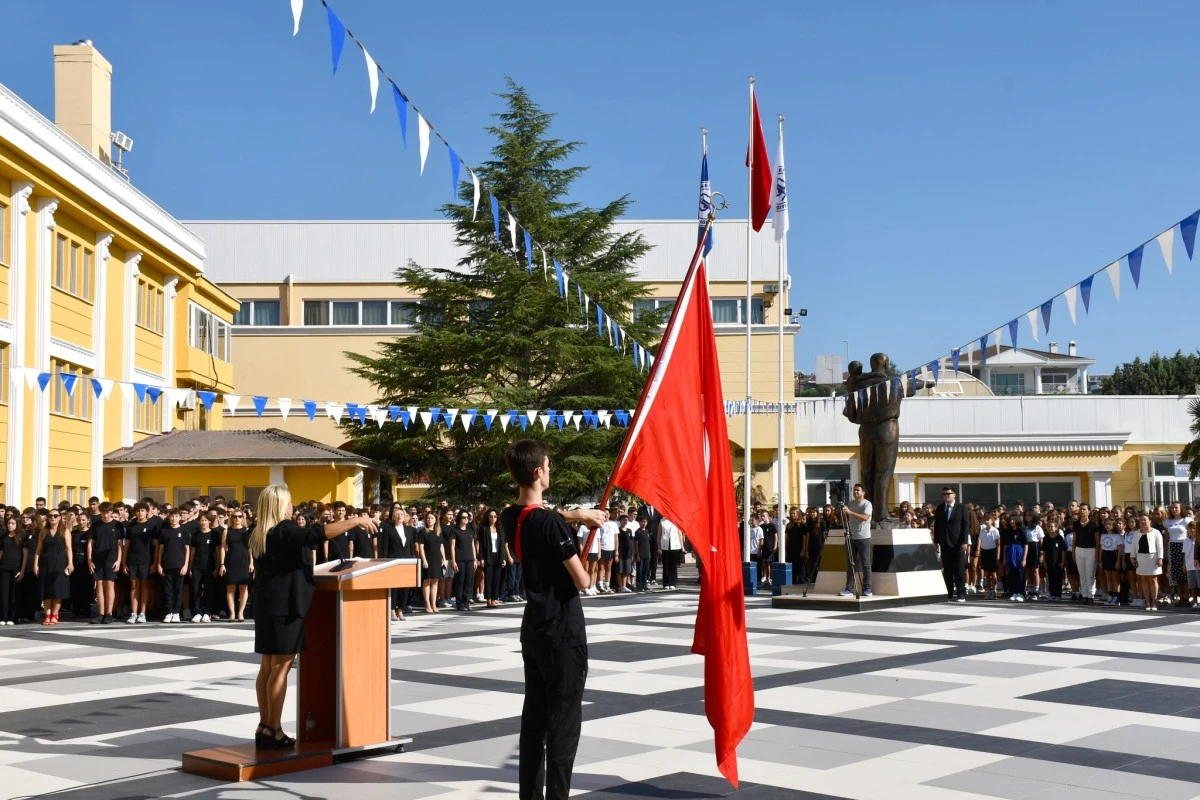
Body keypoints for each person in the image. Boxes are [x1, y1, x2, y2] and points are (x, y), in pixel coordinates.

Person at [500, 439, 605, 800]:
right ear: (538, 472)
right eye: (547, 465)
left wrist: (577, 515)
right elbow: (584, 580)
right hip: (563, 630)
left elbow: (537, 516)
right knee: (563, 725)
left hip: (534, 628)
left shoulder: (507, 517)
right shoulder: (550, 524)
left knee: (534, 721)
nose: (550, 470)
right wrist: (577, 527)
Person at [250, 484, 378, 749]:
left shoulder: (260, 533)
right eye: (288, 502)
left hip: (267, 605)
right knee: (281, 667)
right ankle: (274, 729)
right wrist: (356, 520)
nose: (292, 506)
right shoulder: (283, 530)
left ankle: (264, 726)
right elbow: (318, 534)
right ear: (278, 505)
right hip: (286, 606)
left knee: (267, 667)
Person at [34, 510, 72, 625]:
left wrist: (70, 563)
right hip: (45, 562)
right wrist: (35, 564)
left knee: (57, 589)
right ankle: (47, 615)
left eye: (55, 516)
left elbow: (69, 548)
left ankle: (55, 615)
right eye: (50, 516)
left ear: (60, 517)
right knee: (46, 590)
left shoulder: (64, 530)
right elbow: (38, 549)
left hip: (60, 562)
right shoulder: (43, 532)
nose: (53, 518)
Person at [87, 503, 123, 624]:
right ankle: (101, 613)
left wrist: (118, 561)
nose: (105, 515)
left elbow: (120, 545)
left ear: (112, 512)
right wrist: (89, 559)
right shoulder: (96, 524)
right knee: (99, 584)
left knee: (109, 585)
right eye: (103, 513)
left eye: (107, 513)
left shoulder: (117, 525)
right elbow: (90, 543)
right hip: (97, 559)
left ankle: (109, 613)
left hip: (111, 559)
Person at [933, 486, 970, 602]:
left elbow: (965, 526)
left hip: (958, 543)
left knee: (959, 570)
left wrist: (964, 542)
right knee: (947, 570)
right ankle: (949, 593)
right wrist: (936, 541)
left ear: (954, 495)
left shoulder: (961, 508)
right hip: (944, 543)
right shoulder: (940, 508)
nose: (946, 496)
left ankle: (961, 593)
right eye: (944, 494)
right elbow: (937, 525)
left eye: (949, 494)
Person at [378, 504, 414, 620]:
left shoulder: (409, 530)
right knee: (394, 587)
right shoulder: (389, 529)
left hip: (407, 561)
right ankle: (392, 610)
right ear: (393, 516)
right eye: (397, 514)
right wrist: (384, 560)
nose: (399, 516)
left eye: (401, 514)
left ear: (405, 517)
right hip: (393, 560)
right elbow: (385, 546)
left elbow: (411, 547)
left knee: (405, 587)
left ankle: (401, 610)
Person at [220, 509, 253, 622]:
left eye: (239, 516)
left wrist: (252, 563)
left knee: (244, 587)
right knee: (230, 587)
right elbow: (223, 548)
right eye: (235, 516)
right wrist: (222, 564)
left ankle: (241, 613)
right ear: (231, 518)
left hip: (244, 560)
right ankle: (232, 613)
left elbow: (250, 549)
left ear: (243, 518)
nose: (237, 519)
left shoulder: (247, 531)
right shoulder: (227, 531)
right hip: (231, 560)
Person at [840, 484, 873, 597]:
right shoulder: (851, 503)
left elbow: (865, 518)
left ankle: (867, 588)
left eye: (858, 490)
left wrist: (850, 512)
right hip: (851, 537)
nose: (855, 492)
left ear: (863, 492)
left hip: (863, 537)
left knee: (865, 563)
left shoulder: (867, 504)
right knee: (850, 563)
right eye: (854, 490)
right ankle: (849, 588)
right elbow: (845, 516)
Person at [477, 508, 511, 609]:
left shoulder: (500, 528)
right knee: (488, 578)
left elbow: (502, 545)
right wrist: (481, 558)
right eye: (491, 516)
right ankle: (488, 599)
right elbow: (481, 545)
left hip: (498, 556)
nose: (493, 518)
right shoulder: (483, 529)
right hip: (488, 555)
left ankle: (495, 598)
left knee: (496, 579)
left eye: (495, 516)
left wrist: (504, 558)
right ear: (487, 517)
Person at [1134, 511, 1164, 612]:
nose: (1143, 522)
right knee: (1144, 580)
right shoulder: (1136, 533)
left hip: (1153, 558)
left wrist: (1160, 558)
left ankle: (1154, 601)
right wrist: (1132, 557)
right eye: (1141, 520)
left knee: (1153, 579)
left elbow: (1160, 546)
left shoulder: (1156, 532)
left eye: (1145, 520)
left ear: (1149, 521)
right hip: (1141, 558)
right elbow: (1133, 547)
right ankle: (1147, 601)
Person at [417, 511, 446, 614]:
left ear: (435, 520)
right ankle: (427, 604)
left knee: (435, 581)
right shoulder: (423, 532)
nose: (430, 520)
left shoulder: (438, 531)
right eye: (428, 518)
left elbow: (441, 546)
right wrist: (424, 560)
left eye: (432, 518)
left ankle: (434, 604)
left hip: (437, 559)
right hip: (428, 559)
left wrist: (444, 559)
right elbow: (421, 547)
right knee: (427, 581)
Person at [1071, 505, 1100, 604]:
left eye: (1084, 509)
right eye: (1081, 509)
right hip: (1079, 549)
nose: (1082, 511)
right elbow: (1074, 538)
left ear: (1089, 511)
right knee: (1082, 574)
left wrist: (1097, 553)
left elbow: (1097, 541)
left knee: (1090, 575)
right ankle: (1084, 595)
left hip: (1091, 550)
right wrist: (1073, 552)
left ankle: (1090, 595)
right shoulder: (1076, 524)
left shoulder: (1094, 524)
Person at [0, 516, 25, 625]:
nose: (10, 525)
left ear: (17, 524)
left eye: (13, 523)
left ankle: (12, 617)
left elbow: (25, 555)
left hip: (16, 568)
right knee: (3, 593)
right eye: (9, 523)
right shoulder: (3, 537)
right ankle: (3, 617)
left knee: (14, 594)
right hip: (4, 568)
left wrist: (22, 570)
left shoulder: (21, 537)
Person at [659, 517, 684, 591]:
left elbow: (680, 534)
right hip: (665, 545)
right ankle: (666, 583)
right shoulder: (662, 521)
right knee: (666, 565)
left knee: (673, 565)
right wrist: (658, 546)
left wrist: (682, 546)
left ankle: (673, 583)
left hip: (675, 545)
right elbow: (659, 534)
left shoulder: (676, 520)